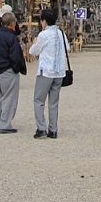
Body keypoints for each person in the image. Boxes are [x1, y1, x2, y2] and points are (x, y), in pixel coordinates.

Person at [29, 8, 69, 139]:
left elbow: (33, 51)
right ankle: (53, 129)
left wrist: (34, 43)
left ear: (44, 21)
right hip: (59, 72)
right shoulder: (60, 33)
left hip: (46, 71)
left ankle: (41, 128)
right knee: (54, 102)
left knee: (39, 100)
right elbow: (67, 48)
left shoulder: (43, 35)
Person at [0, 11, 27, 134]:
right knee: (9, 98)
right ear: (12, 23)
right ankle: (5, 124)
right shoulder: (11, 38)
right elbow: (15, 56)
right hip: (6, 70)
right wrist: (17, 68)